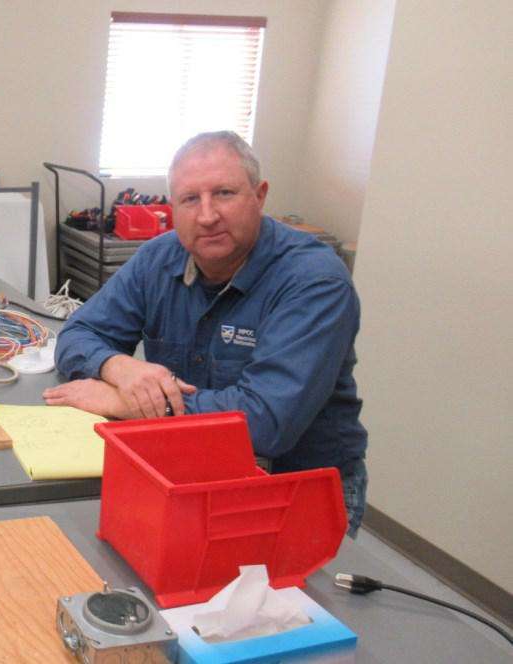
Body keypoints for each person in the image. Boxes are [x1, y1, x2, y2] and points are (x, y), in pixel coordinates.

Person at [44, 131, 368, 536]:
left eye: (225, 193)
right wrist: (118, 367)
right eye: (190, 199)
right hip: (189, 471)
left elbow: (266, 423)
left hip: (295, 489)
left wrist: (125, 402)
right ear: (172, 207)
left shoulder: (313, 282)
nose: (207, 215)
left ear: (260, 195)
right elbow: (79, 332)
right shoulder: (158, 259)